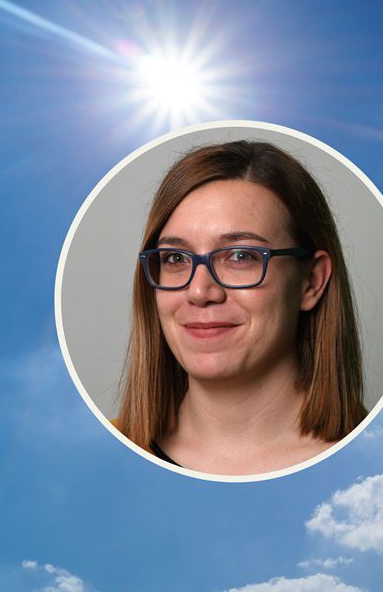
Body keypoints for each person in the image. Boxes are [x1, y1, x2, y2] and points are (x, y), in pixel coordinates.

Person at [115, 140, 365, 476]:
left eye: (241, 256)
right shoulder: (97, 454)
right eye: (175, 258)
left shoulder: (381, 466)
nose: (200, 290)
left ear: (312, 281)